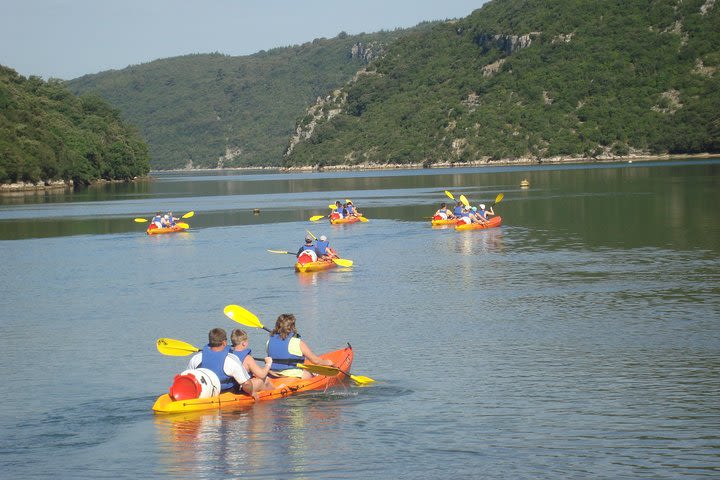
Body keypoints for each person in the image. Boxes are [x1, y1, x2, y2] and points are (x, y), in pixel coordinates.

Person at [187, 328, 262, 399]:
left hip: (203, 394)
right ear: (224, 342)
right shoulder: (231, 359)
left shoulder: (196, 358)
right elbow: (246, 384)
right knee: (259, 382)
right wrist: (252, 392)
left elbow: (188, 379)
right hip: (226, 395)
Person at [267, 313, 334, 379]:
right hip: (292, 375)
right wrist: (328, 362)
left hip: (273, 374)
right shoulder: (298, 343)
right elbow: (315, 361)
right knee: (309, 374)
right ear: (292, 327)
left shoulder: (269, 341)